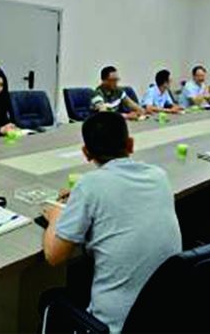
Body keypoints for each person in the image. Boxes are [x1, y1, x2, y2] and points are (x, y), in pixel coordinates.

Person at [42, 112, 182, 332]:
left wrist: (56, 216)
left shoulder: (89, 186)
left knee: (50, 298)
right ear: (131, 144)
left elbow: (54, 256)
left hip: (116, 327)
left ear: (86, 153)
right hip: (165, 315)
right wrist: (81, 197)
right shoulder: (159, 176)